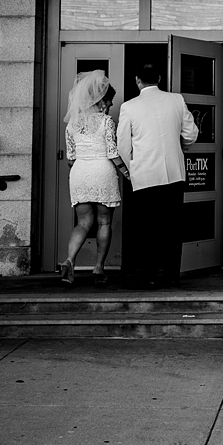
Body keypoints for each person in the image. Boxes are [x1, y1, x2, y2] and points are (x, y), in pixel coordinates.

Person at [116, 62, 199, 288]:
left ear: (137, 80)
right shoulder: (176, 100)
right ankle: (172, 274)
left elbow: (122, 146)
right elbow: (191, 134)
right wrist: (181, 147)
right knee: (172, 226)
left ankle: (150, 275)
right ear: (160, 79)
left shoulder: (129, 106)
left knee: (147, 227)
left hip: (145, 176)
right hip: (173, 174)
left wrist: (131, 170)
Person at [61, 70, 128, 287]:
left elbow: (71, 157)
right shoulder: (107, 122)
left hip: (80, 172)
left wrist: (82, 164)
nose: (109, 106)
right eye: (108, 102)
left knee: (82, 222)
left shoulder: (71, 124)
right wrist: (128, 174)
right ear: (99, 100)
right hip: (102, 171)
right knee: (103, 221)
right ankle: (98, 267)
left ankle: (70, 260)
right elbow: (113, 153)